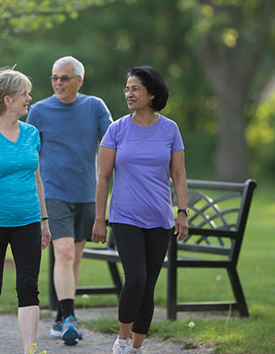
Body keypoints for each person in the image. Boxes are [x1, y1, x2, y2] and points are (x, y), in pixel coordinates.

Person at [92, 66, 189, 354]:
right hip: (125, 217)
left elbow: (179, 175)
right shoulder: (117, 129)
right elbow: (103, 177)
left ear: (152, 94)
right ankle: (122, 340)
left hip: (159, 218)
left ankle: (136, 347)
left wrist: (181, 212)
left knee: (148, 285)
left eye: (135, 88)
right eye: (127, 88)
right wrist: (100, 218)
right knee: (136, 278)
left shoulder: (170, 129)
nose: (128, 93)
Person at [26, 55, 112, 345]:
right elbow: (30, 154)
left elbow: (112, 140)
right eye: (54, 78)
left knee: (73, 257)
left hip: (86, 193)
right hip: (53, 192)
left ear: (79, 80)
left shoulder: (94, 106)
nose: (58, 83)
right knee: (62, 252)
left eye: (64, 78)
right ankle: (70, 318)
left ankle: (61, 315)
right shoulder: (38, 111)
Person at [0, 68, 52, 354]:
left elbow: (37, 179)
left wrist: (44, 219)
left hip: (28, 220)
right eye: (24, 94)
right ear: (7, 99)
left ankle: (30, 348)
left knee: (28, 286)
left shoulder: (31, 134)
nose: (29, 98)